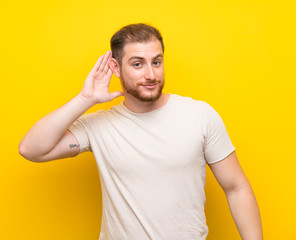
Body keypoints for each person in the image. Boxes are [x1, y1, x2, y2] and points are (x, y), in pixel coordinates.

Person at [18, 23, 262, 240]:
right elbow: (31, 149)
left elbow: (236, 187)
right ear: (116, 67)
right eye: (137, 64)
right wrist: (85, 98)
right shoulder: (99, 126)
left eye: (156, 62)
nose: (151, 75)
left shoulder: (200, 115)